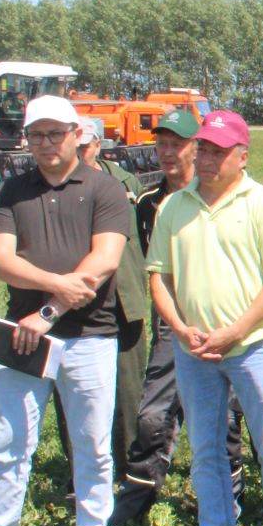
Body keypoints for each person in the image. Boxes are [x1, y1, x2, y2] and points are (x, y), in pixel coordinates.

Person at [0, 96, 131, 526]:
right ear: (26, 138)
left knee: (93, 442)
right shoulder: (10, 193)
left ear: (77, 134)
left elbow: (105, 260)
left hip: (90, 335)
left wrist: (49, 311)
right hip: (22, 335)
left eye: (55, 133)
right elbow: (0, 262)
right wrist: (56, 288)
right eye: (37, 134)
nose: (46, 143)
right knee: (9, 441)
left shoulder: (104, 189)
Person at [147, 111, 263, 526]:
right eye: (203, 150)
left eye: (219, 151)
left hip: (252, 345)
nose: (208, 159)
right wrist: (180, 328)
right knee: (206, 449)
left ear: (242, 156)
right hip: (194, 350)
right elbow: (159, 276)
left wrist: (235, 330)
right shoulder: (175, 207)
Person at [112, 109, 243, 526]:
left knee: (225, 419)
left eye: (178, 145)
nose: (167, 153)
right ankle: (137, 499)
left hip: (225, 322)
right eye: (161, 144)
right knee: (154, 414)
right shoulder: (150, 203)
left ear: (197, 148)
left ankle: (228, 504)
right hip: (173, 324)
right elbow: (153, 271)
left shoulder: (222, 194)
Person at [65, 117, 148, 485]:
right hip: (76, 304)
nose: (78, 155)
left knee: (130, 390)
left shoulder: (125, 183)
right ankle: (83, 473)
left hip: (124, 297)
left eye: (84, 148)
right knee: (76, 394)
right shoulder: (58, 187)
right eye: (74, 147)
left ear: (98, 145)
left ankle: (133, 467)